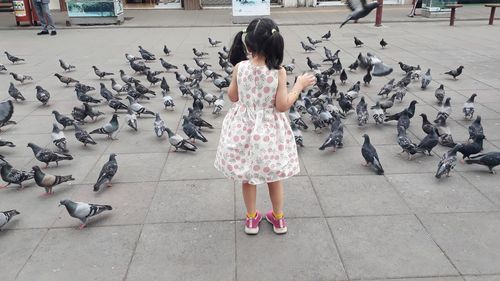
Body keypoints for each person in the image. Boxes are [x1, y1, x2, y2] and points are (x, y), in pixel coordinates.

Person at [214, 18, 315, 235]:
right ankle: (278, 219)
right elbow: (282, 106)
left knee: (247, 175)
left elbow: (232, 97)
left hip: (243, 129)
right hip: (269, 131)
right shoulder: (279, 72)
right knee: (273, 176)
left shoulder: (239, 68)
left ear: (248, 45)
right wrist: (298, 86)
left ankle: (251, 219)